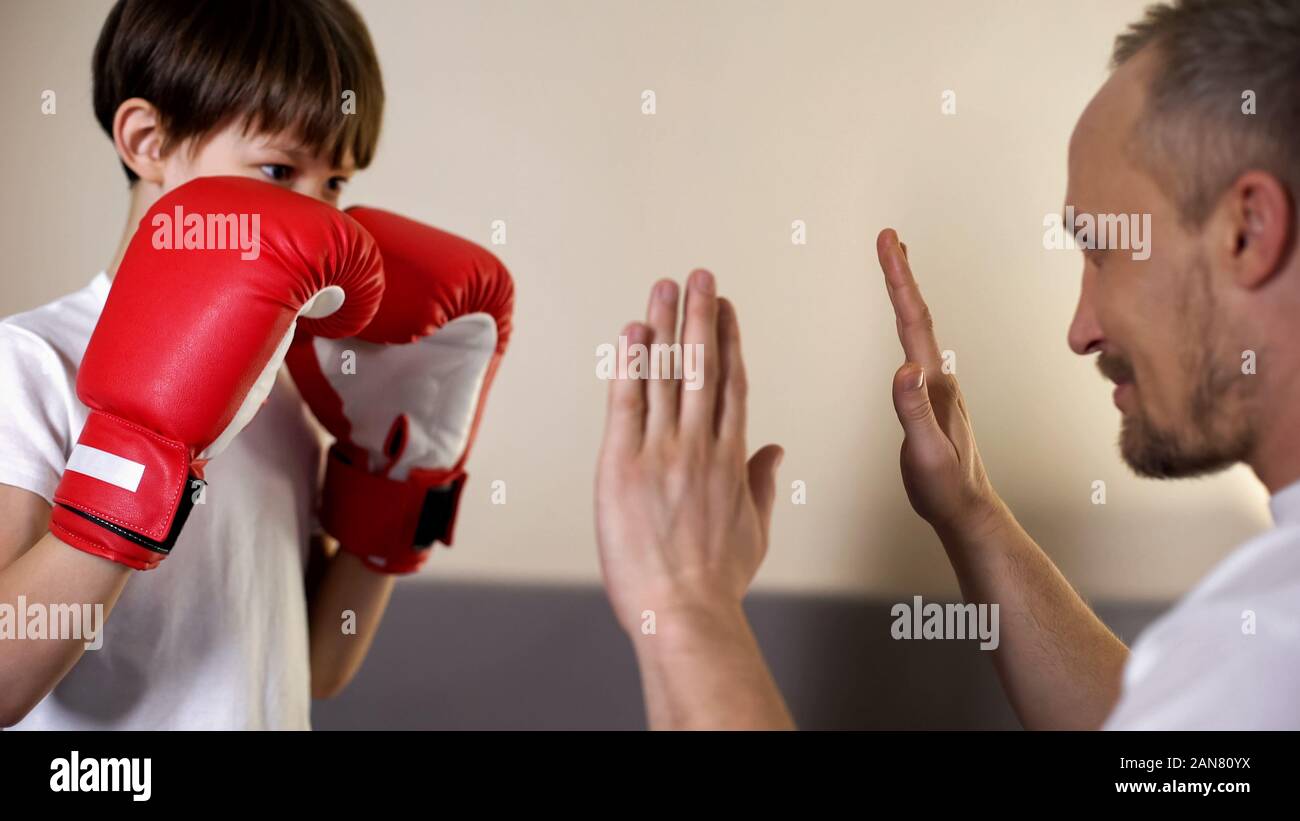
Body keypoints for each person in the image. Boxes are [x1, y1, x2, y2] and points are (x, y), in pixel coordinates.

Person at [594, 0, 1300, 730]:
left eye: (1102, 249)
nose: (1081, 331)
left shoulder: (1271, 640)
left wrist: (685, 607)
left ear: (1248, 231)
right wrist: (971, 512)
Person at [0, 0, 511, 730]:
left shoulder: (276, 388)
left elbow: (322, 663)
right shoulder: (33, 361)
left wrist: (401, 480)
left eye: (336, 183)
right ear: (148, 141)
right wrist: (143, 450)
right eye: (279, 168)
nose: (322, 218)